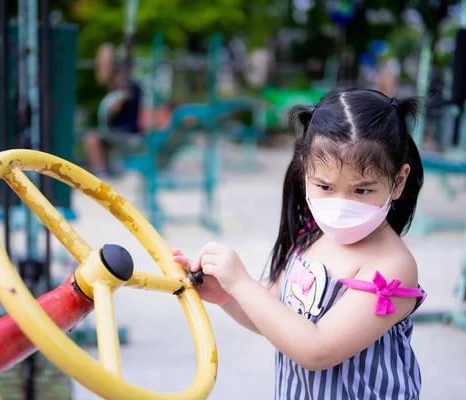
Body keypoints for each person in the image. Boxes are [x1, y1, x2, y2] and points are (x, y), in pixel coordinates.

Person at [174, 88, 426, 399]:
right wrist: (227, 296)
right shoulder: (311, 236)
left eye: (362, 191)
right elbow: (277, 317)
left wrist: (241, 282)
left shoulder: (391, 267)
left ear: (398, 181)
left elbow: (316, 350)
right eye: (325, 186)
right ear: (305, 170)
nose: (340, 204)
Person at [84, 44, 142, 178]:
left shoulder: (124, 86)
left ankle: (101, 174)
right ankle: (103, 171)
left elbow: (115, 108)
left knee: (92, 139)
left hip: (126, 131)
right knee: (98, 137)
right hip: (121, 129)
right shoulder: (122, 85)